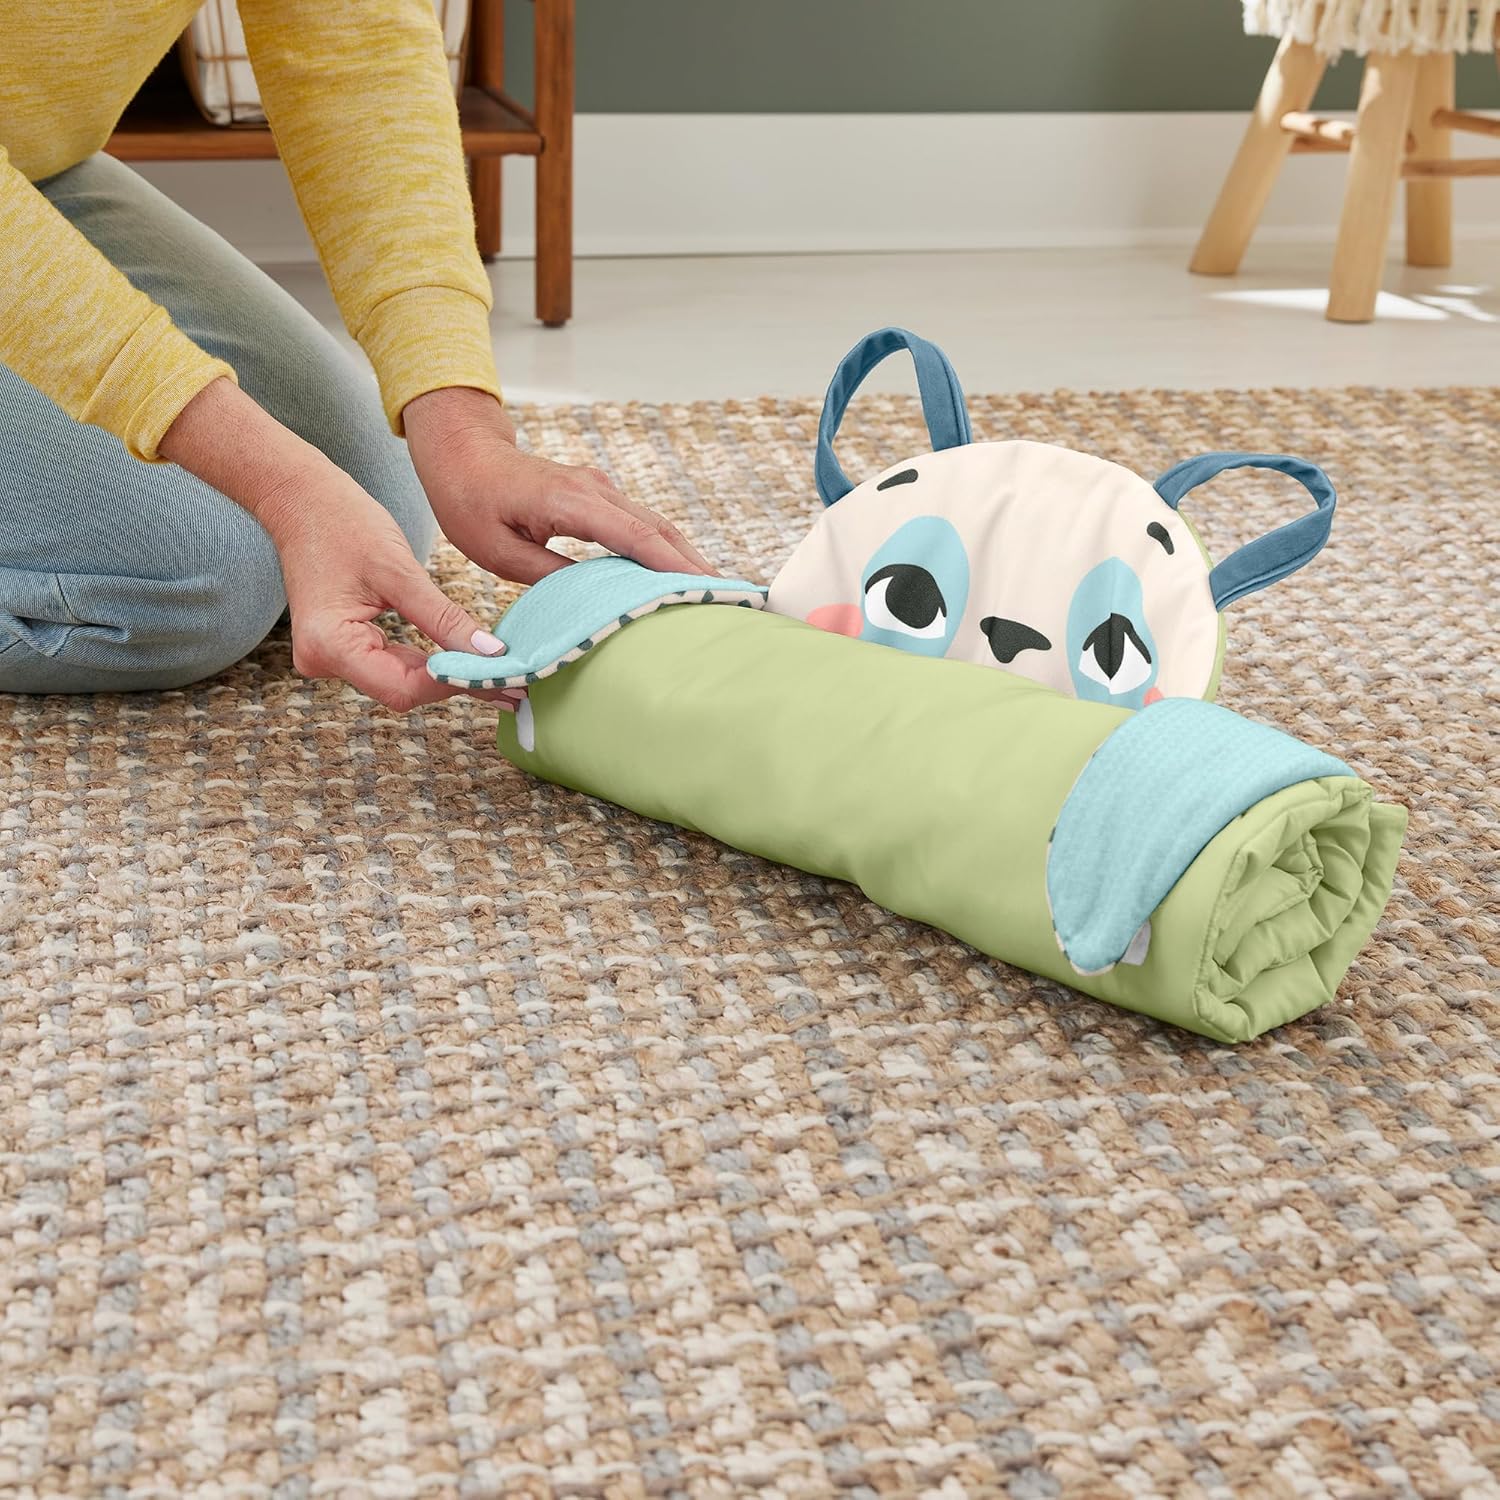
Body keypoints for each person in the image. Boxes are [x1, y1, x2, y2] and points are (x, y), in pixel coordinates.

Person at [0, 2, 714, 713]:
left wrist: (463, 429)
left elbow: (357, 43)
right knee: (197, 584)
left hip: (36, 168)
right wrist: (284, 489)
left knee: (382, 502)